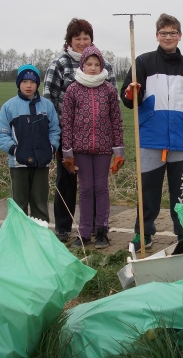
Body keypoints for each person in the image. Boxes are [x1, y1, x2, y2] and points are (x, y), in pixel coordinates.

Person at [120, 13, 183, 251]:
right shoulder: (143, 62)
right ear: (157, 35)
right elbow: (128, 97)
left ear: (180, 36)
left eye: (172, 33)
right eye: (163, 33)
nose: (168, 37)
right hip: (151, 139)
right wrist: (131, 92)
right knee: (148, 192)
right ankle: (143, 234)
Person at [43, 18, 117, 242]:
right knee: (67, 182)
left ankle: (96, 227)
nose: (82, 42)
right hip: (68, 136)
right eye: (78, 38)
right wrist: (58, 136)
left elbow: (111, 103)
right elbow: (48, 99)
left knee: (95, 184)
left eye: (86, 38)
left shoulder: (106, 67)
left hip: (99, 138)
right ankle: (64, 227)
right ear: (69, 41)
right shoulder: (59, 64)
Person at [61, 45, 124, 249]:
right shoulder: (73, 89)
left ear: (102, 66)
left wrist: (118, 151)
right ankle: (84, 232)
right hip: (81, 149)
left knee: (101, 188)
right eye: (89, 64)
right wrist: (67, 152)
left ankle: (102, 231)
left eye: (97, 64)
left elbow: (116, 120)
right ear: (82, 65)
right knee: (86, 189)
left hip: (104, 149)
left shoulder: (109, 90)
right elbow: (67, 122)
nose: (93, 67)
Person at [0, 65, 60, 222]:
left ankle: (39, 239)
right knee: (19, 204)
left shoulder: (47, 106)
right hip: (18, 165)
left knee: (40, 203)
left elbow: (55, 130)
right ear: (18, 83)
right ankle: (19, 240)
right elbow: (1, 133)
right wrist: (15, 150)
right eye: (24, 81)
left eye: (32, 82)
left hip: (41, 164)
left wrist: (51, 148)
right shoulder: (9, 106)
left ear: (37, 84)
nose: (28, 85)